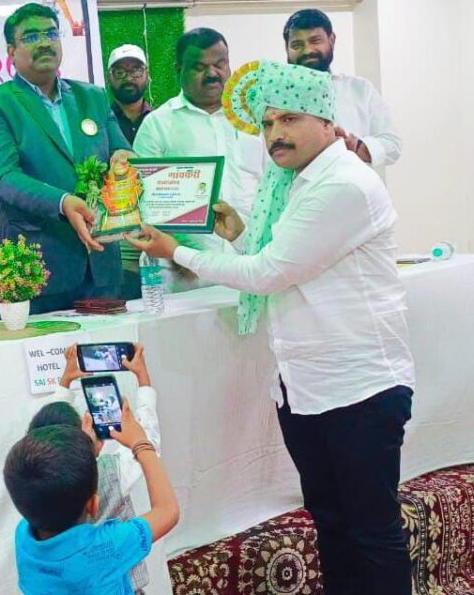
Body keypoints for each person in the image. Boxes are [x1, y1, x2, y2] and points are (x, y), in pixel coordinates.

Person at [130, 60, 415, 594]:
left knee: (372, 532)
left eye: (289, 119)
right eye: (266, 123)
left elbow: (268, 273)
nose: (275, 134)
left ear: (326, 121)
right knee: (331, 522)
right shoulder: (296, 184)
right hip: (306, 387)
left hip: (359, 389)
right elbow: (283, 260)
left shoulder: (343, 184)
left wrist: (177, 250)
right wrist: (238, 234)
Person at [0, 3, 132, 313]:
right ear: (11, 51)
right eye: (31, 37)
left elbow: (120, 152)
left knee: (112, 344)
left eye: (51, 34)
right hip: (40, 267)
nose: (44, 42)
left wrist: (126, 160)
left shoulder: (93, 97)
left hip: (102, 263)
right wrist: (62, 202)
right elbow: (5, 178)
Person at [3, 391, 179, 594]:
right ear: (94, 505)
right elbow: (168, 511)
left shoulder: (23, 539)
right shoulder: (104, 547)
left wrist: (81, 451)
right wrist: (140, 442)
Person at [132, 27, 265, 291]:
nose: (212, 73)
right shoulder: (158, 124)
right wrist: (176, 250)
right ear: (178, 69)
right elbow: (139, 199)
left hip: (251, 262)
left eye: (220, 64)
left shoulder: (256, 120)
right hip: (183, 272)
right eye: (199, 67)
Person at [27, 344, 164, 594]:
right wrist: (143, 380)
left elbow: (45, 438)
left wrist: (65, 383)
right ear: (93, 503)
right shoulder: (112, 473)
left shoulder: (32, 489)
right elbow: (149, 443)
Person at [283, 8, 402, 167]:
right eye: (297, 45)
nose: (307, 50)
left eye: (315, 41)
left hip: (352, 181)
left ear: (331, 40)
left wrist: (358, 147)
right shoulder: (271, 97)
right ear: (287, 48)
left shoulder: (360, 89)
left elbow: (392, 144)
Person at [107, 44, 153, 299]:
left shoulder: (160, 121)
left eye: (136, 70)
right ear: (109, 78)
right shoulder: (98, 125)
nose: (129, 77)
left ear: (147, 74)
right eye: (120, 72)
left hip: (157, 228)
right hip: (117, 237)